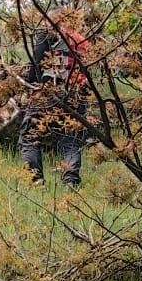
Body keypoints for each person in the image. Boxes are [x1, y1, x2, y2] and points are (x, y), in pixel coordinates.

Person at [19, 16, 91, 187]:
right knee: (71, 140)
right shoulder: (81, 40)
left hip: (49, 91)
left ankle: (35, 180)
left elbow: (36, 63)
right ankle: (70, 183)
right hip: (76, 93)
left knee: (30, 136)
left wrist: (31, 88)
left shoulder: (48, 34)